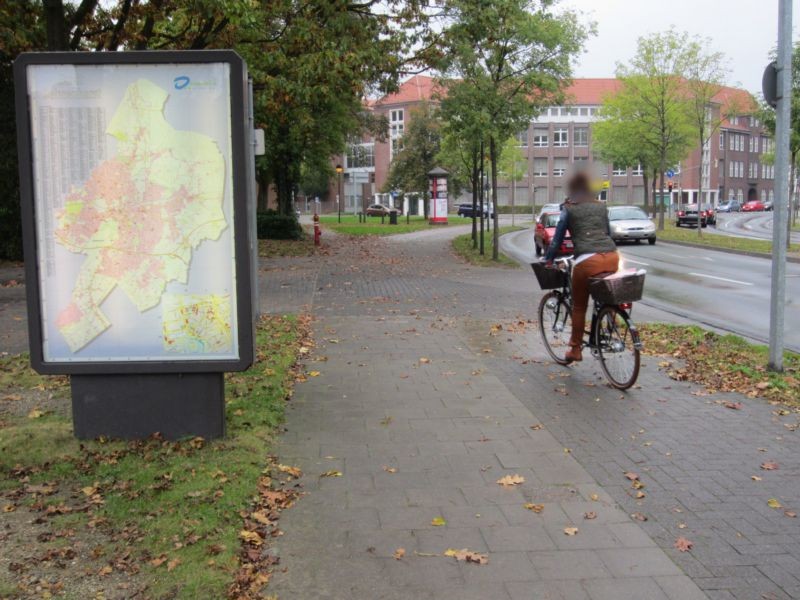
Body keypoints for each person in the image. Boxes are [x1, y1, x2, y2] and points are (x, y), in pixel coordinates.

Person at [543, 172, 619, 363]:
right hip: (611, 256)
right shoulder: (601, 207)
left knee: (579, 306)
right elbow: (607, 233)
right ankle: (609, 317)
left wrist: (548, 260)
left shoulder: (569, 209)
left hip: (587, 259)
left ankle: (575, 349)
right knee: (604, 293)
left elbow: (557, 239)